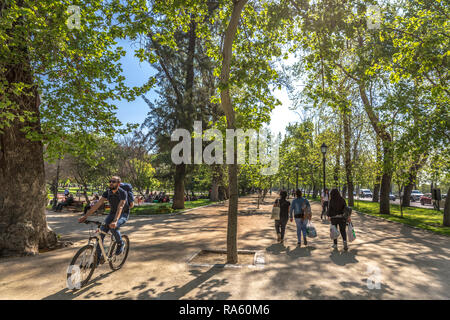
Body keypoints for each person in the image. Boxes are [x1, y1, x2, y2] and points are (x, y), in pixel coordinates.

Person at [79, 176, 129, 264]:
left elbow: (120, 207)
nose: (111, 183)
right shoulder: (108, 192)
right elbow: (97, 205)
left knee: (114, 227)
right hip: (112, 213)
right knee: (100, 236)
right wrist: (85, 216)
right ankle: (97, 260)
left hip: (123, 214)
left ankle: (121, 243)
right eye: (110, 181)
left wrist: (115, 221)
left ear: (118, 184)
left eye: (113, 181)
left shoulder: (123, 193)